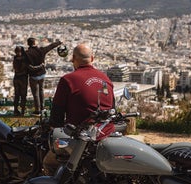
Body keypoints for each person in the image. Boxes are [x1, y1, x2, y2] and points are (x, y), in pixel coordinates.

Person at [42, 43, 115, 175]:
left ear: (73, 59)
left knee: (49, 162)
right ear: (92, 58)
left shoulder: (68, 80)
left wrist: (52, 129)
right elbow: (112, 109)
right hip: (106, 135)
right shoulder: (106, 79)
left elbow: (56, 116)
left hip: (81, 139)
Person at [26, 37, 62, 116]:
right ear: (35, 43)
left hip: (33, 76)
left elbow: (25, 65)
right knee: (41, 90)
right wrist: (59, 42)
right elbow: (50, 46)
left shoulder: (27, 53)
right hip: (42, 74)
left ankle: (37, 110)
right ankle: (42, 108)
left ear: (28, 44)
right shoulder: (41, 50)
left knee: (35, 94)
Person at [12, 46, 28, 116]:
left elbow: (15, 68)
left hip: (16, 78)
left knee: (17, 95)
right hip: (23, 78)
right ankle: (22, 111)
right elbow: (25, 68)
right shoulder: (24, 59)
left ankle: (15, 110)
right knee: (23, 95)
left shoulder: (15, 58)